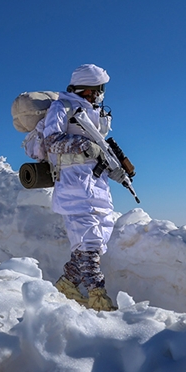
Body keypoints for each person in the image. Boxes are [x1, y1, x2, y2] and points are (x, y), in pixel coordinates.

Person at [43, 63, 126, 311]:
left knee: (100, 238)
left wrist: (116, 168)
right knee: (88, 240)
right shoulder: (62, 107)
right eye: (98, 89)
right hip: (73, 183)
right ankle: (97, 295)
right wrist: (83, 144)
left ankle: (68, 284)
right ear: (86, 88)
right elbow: (50, 141)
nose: (101, 94)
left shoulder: (94, 113)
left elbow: (100, 149)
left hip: (97, 184)